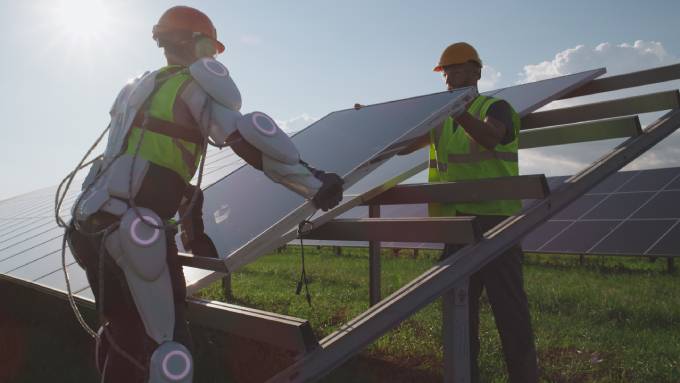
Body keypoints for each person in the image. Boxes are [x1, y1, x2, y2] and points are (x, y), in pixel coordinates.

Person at [65, 6, 343, 383]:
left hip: (87, 224)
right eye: (210, 45)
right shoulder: (193, 87)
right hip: (134, 232)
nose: (212, 55)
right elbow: (249, 137)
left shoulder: (138, 87)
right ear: (193, 42)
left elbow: (139, 155)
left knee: (122, 328)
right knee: (167, 347)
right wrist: (313, 182)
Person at [400, 42, 538, 383]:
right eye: (446, 71)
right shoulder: (440, 118)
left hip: (496, 224)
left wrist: (458, 111)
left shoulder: (497, 106)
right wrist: (374, 126)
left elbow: (492, 137)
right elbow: (405, 146)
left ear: (477, 71)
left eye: (458, 69)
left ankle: (523, 377)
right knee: (458, 309)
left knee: (509, 310)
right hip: (456, 224)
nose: (450, 77)